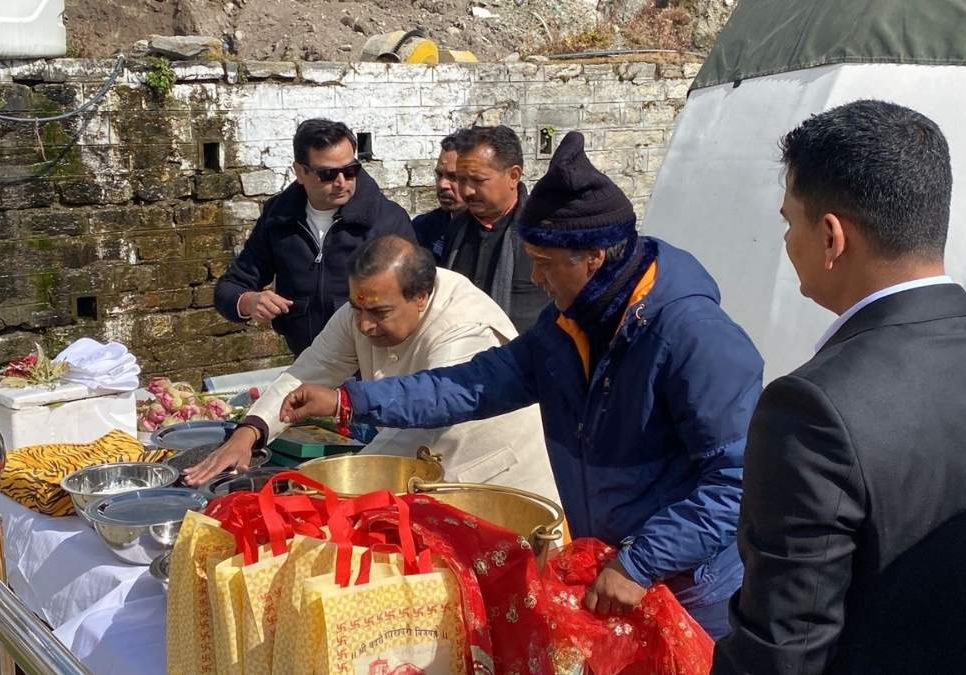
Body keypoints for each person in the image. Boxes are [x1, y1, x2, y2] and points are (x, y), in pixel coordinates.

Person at [278, 132, 764, 639]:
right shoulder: (567, 326)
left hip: (690, 585)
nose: (535, 278)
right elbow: (472, 385)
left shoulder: (692, 335)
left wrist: (641, 563)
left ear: (592, 257)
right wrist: (350, 400)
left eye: (545, 263)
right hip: (609, 561)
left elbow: (739, 481)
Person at [713, 101, 966, 674]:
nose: (786, 242)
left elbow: (783, 650)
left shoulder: (811, 409)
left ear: (832, 236)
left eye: (789, 221)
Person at [187, 235, 558, 502]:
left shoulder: (463, 327)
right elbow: (310, 372)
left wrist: (317, 487)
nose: (364, 325)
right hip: (423, 477)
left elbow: (428, 418)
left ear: (421, 297)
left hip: (496, 486)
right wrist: (250, 431)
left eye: (379, 314)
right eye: (356, 309)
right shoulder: (364, 306)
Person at [214, 119, 414, 355]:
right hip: (306, 359)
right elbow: (231, 286)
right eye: (327, 174)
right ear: (300, 172)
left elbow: (416, 296)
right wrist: (248, 301)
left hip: (373, 361)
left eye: (351, 170)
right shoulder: (278, 217)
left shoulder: (388, 220)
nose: (341, 182)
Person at [438, 125, 550, 333]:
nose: (467, 191)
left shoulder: (543, 231)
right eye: (461, 180)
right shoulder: (456, 229)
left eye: (478, 180)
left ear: (514, 176)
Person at [412, 134, 465, 263]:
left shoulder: (492, 235)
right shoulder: (422, 228)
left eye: (453, 177)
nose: (442, 185)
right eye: (439, 175)